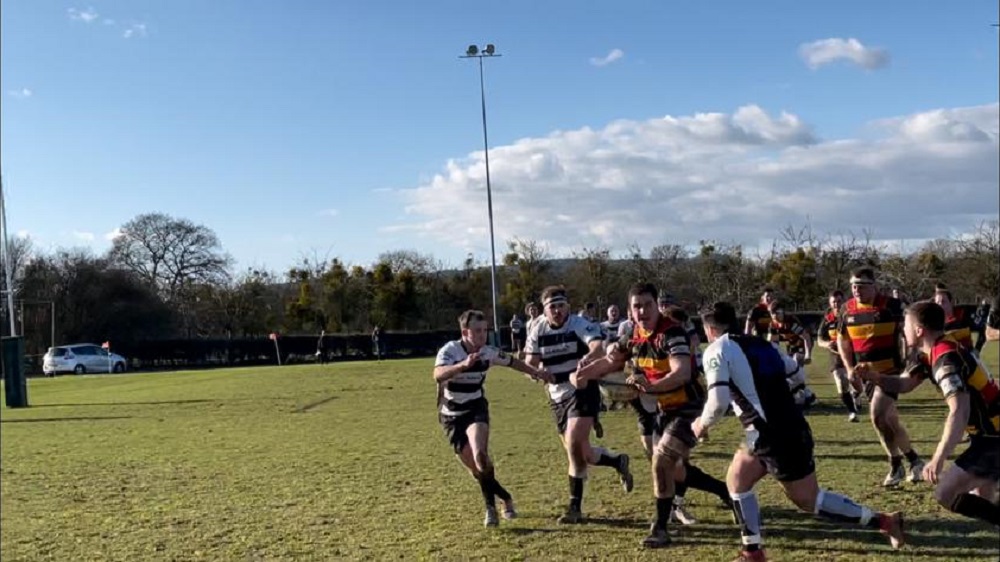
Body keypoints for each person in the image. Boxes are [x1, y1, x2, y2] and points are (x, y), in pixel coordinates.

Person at [694, 301, 905, 562]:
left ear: (708, 328)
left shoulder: (716, 349)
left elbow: (717, 404)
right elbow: (795, 374)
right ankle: (753, 552)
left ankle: (885, 521)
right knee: (737, 481)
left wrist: (700, 425)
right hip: (766, 431)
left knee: (808, 500)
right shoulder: (763, 344)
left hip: (775, 435)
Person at [575, 283, 704, 548]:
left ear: (657, 305)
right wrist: (583, 374)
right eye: (637, 306)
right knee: (673, 467)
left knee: (662, 460)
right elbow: (612, 362)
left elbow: (682, 372)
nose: (642, 310)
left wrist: (650, 387)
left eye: (647, 304)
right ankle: (724, 495)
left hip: (688, 406)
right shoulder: (633, 334)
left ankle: (660, 527)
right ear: (629, 310)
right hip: (663, 408)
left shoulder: (672, 333)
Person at [857, 300, 999, 527]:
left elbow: (959, 411)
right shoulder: (928, 353)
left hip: (994, 435)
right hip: (986, 434)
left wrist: (938, 459)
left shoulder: (946, 359)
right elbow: (904, 384)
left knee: (946, 494)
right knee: (983, 496)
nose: (902, 330)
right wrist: (876, 377)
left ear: (919, 330)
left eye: (906, 324)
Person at [524, 285, 634, 524]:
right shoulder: (537, 328)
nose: (557, 310)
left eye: (561, 305)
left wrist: (588, 357)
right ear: (544, 310)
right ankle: (617, 461)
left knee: (574, 442)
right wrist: (537, 371)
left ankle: (575, 507)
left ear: (568, 306)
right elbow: (530, 360)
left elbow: (596, 345)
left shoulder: (578, 324)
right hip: (556, 395)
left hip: (582, 388)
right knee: (582, 453)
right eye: (552, 307)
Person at [433, 310, 553, 527]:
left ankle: (490, 509)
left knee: (480, 455)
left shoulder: (488, 352)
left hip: (475, 408)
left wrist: (537, 372)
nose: (482, 336)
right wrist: (463, 366)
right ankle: (505, 497)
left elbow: (513, 363)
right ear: (464, 332)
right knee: (478, 471)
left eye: (485, 331)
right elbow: (438, 374)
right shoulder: (450, 350)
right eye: (477, 331)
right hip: (451, 416)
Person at [838, 266, 925, 487]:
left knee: (877, 416)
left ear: (874, 286)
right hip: (865, 374)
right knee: (889, 421)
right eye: (853, 286)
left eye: (862, 285)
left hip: (891, 372)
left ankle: (895, 465)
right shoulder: (846, 310)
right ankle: (915, 461)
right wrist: (849, 368)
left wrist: (912, 357)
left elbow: (912, 328)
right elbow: (843, 340)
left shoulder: (892, 306)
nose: (856, 290)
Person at [817, 290, 862, 422]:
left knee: (857, 385)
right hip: (836, 355)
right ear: (830, 304)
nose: (836, 305)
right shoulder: (827, 319)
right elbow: (819, 340)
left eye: (839, 301)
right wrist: (827, 344)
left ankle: (856, 394)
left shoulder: (851, 316)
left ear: (844, 302)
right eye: (833, 302)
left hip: (853, 354)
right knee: (841, 381)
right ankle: (852, 412)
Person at [766, 300, 817, 409]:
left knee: (796, 365)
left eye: (777, 313)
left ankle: (803, 395)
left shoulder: (790, 322)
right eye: (772, 314)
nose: (775, 316)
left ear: (782, 312)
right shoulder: (773, 325)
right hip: (792, 346)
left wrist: (808, 354)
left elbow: (806, 338)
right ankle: (808, 395)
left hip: (802, 344)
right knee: (788, 372)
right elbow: (772, 342)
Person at [932, 283, 974, 351]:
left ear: (951, 302)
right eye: (937, 303)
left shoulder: (961, 321)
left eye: (943, 302)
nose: (940, 305)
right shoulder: (933, 325)